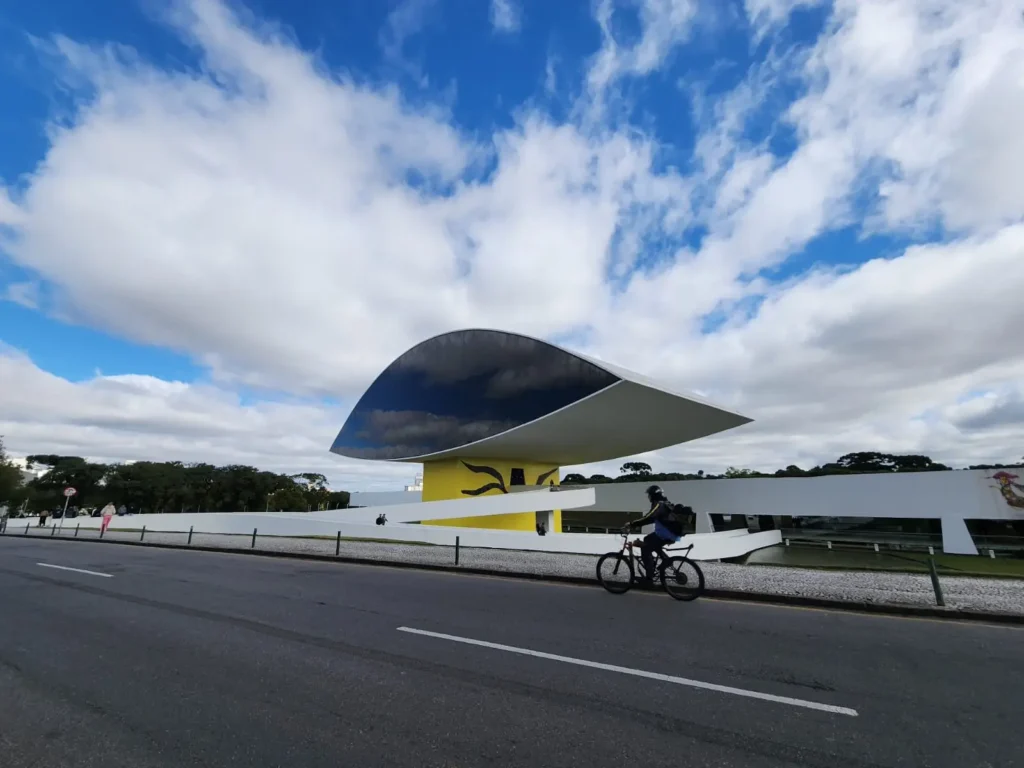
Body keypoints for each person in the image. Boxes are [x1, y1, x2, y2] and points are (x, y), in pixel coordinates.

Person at [625, 485, 687, 585]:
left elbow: (649, 517)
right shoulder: (665, 503)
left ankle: (649, 578)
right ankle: (665, 561)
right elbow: (653, 518)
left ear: (653, 495)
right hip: (670, 533)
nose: (648, 497)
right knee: (647, 539)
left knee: (645, 549)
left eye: (649, 495)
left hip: (666, 534)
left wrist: (632, 524)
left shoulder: (659, 505)